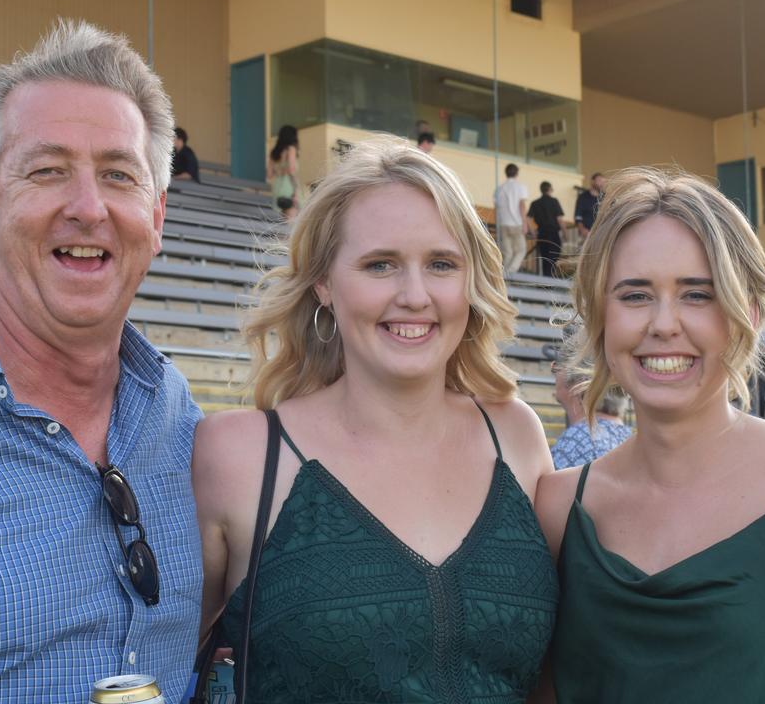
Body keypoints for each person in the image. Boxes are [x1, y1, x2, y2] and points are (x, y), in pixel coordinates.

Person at [194, 136, 557, 701]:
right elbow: (159, 664)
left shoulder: (515, 434)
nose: (414, 295)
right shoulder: (238, 455)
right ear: (324, 284)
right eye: (380, 264)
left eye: (441, 264)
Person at [535, 167, 765, 702]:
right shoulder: (558, 505)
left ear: (747, 314)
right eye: (635, 295)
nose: (663, 324)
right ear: (599, 316)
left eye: (697, 295)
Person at [0, 20, 202, 702]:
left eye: (118, 176)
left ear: (155, 218)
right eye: (47, 170)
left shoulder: (182, 421)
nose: (89, 208)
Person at [546, 345, 632, 470]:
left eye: (558, 365)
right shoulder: (628, 438)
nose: (554, 371)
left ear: (579, 383)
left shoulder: (574, 443)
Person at [495, 162, 529, 274]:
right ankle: (510, 272)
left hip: (503, 223)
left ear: (506, 173)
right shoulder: (520, 187)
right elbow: (522, 205)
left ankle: (503, 278)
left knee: (507, 253)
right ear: (517, 173)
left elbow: (497, 208)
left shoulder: (499, 189)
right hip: (516, 223)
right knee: (521, 250)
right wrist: (525, 223)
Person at [528, 180, 565, 277]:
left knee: (545, 258)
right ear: (550, 189)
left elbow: (528, 218)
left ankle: (545, 282)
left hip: (542, 233)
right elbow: (559, 219)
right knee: (554, 257)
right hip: (553, 233)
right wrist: (565, 232)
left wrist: (533, 232)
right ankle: (549, 281)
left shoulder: (535, 203)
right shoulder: (554, 201)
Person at [268, 124, 300, 219]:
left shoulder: (274, 153)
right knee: (291, 221)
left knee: (281, 220)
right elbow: (291, 170)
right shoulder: (291, 149)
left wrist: (279, 172)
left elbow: (269, 175)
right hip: (288, 186)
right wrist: (296, 191)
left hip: (277, 187)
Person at [573, 172, 605, 238]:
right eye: (599, 181)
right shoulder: (583, 197)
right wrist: (582, 230)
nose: (602, 184)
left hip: (601, 234)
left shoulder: (605, 198)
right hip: (586, 234)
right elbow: (578, 216)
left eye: (603, 182)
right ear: (592, 181)